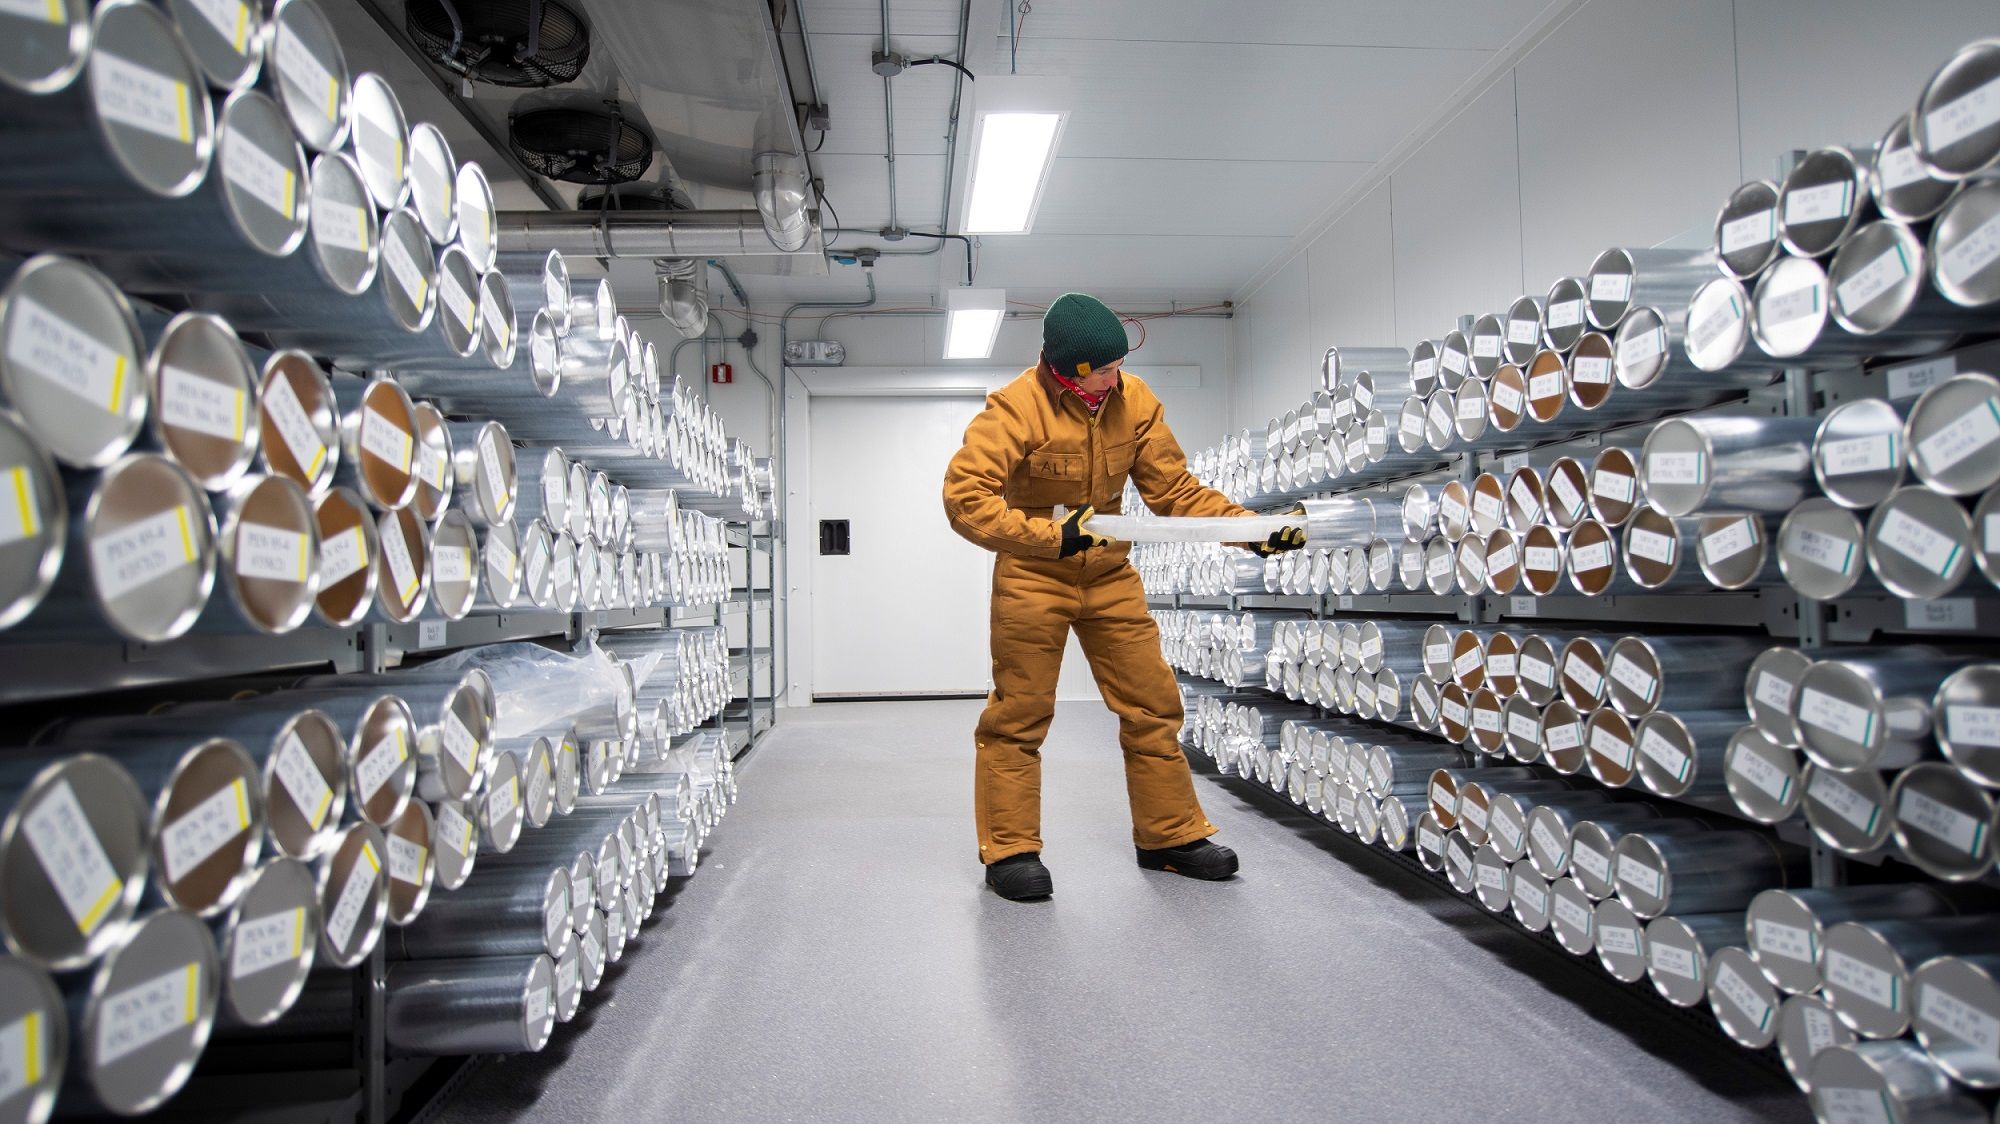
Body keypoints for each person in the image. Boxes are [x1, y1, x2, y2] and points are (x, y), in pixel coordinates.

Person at [941, 292, 1306, 901]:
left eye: (1118, 366)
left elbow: (1175, 490)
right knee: (1019, 715)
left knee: (1152, 705)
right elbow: (965, 500)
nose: (1118, 378)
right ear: (1070, 371)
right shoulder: (1013, 410)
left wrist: (1251, 530)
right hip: (1035, 574)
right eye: (1106, 369)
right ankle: (1010, 851)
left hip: (1109, 575)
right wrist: (1052, 537)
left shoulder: (1132, 401)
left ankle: (1169, 837)